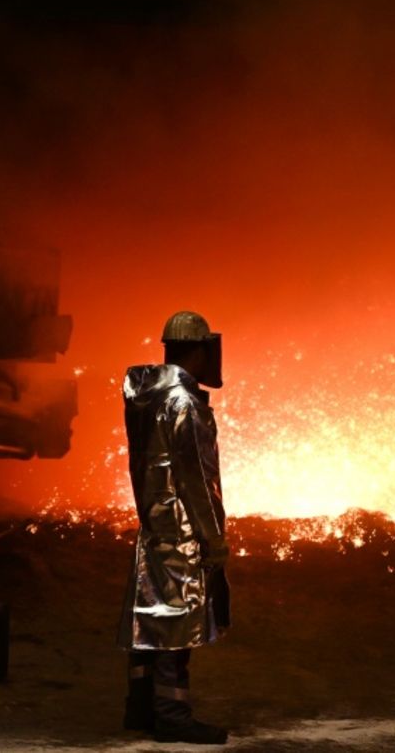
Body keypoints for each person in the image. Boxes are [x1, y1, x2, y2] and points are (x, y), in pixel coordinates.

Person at [117, 311, 230, 745]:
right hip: (182, 529)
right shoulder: (182, 402)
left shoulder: (147, 395)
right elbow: (196, 477)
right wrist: (213, 536)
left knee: (148, 622)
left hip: (153, 525)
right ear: (199, 349)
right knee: (175, 627)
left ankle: (140, 708)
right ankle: (172, 716)